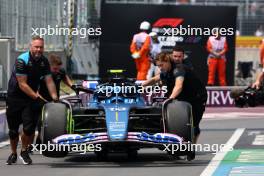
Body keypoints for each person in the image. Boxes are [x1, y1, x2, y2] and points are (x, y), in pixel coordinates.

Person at [6, 36, 58, 165]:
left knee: (29, 128)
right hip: (15, 97)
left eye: (41, 47)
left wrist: (55, 97)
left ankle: (24, 151)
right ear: (31, 47)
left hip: (30, 99)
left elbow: (49, 81)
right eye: (36, 47)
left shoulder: (44, 61)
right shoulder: (21, 60)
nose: (39, 50)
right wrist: (37, 97)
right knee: (13, 130)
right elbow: (22, 84)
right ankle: (13, 153)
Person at [142, 49, 207, 144]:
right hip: (183, 95)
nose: (160, 68)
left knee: (193, 125)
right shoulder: (165, 70)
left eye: (161, 65)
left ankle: (191, 146)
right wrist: (139, 87)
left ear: (167, 62)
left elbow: (179, 86)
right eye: (158, 66)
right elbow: (154, 79)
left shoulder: (179, 69)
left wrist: (170, 99)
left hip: (197, 97)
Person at [33, 54, 74, 145]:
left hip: (55, 101)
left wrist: (77, 89)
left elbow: (70, 84)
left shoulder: (61, 72)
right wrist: (40, 98)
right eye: (55, 69)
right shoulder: (42, 73)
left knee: (56, 122)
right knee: (41, 121)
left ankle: (54, 141)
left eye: (58, 69)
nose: (57, 71)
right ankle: (38, 140)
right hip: (42, 100)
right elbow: (35, 89)